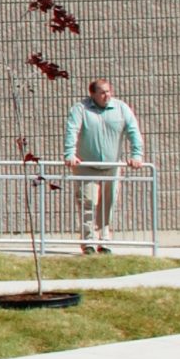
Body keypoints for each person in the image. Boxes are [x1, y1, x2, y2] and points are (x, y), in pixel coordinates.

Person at [63, 77, 147, 253]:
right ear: (92, 94)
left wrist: (136, 155)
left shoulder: (121, 108)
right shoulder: (81, 109)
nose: (106, 95)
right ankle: (89, 243)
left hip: (111, 165)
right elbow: (72, 130)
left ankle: (105, 240)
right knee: (88, 202)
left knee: (108, 203)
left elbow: (133, 130)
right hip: (86, 165)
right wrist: (70, 154)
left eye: (108, 91)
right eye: (102, 92)